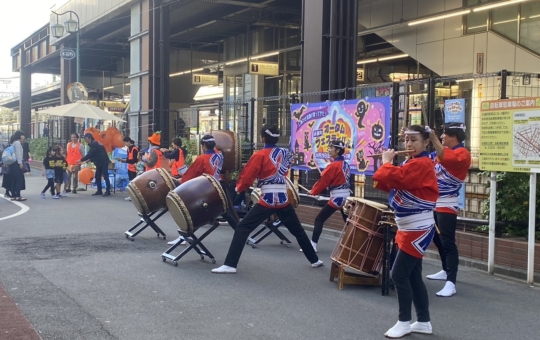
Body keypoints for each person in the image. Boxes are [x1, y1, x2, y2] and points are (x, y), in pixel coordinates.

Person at [212, 125, 323, 274]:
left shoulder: (260, 155)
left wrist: (240, 187)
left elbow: (248, 175)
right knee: (298, 230)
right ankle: (314, 260)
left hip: (268, 199)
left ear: (262, 138)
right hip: (283, 198)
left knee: (242, 228)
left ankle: (230, 264)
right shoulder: (286, 153)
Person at [372, 125, 438, 338]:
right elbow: (395, 181)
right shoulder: (413, 162)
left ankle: (403, 321)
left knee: (398, 274)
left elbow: (400, 178)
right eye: (406, 140)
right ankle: (424, 320)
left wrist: (387, 164)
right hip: (408, 228)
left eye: (414, 140)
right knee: (413, 275)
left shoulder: (423, 163)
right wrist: (387, 168)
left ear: (426, 142)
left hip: (418, 229)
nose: (408, 144)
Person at [426, 123, 471, 297]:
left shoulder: (463, 154)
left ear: (454, 136)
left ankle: (451, 282)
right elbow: (428, 160)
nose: (442, 136)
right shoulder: (441, 152)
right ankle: (445, 270)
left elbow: (445, 156)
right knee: (437, 238)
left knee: (448, 241)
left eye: (445, 134)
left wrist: (433, 138)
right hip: (434, 202)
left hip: (447, 203)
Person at [304, 140, 350, 253]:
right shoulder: (345, 164)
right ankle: (354, 247)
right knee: (349, 224)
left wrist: (313, 191)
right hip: (347, 198)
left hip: (337, 199)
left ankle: (313, 245)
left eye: (331, 148)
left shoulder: (334, 166)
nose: (328, 150)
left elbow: (323, 182)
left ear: (338, 150)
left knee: (319, 219)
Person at [8, 131, 27, 201]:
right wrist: (20, 163)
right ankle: (18, 195)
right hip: (16, 163)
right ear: (20, 136)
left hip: (12, 163)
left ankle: (13, 195)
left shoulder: (13, 143)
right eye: (23, 135)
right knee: (19, 180)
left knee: (13, 180)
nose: (24, 137)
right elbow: (18, 154)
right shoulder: (18, 143)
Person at [120, 137, 139, 202]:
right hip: (129, 167)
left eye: (125, 143)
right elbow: (128, 158)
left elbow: (135, 160)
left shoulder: (134, 148)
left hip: (134, 168)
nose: (125, 144)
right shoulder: (128, 149)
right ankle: (131, 195)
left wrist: (125, 160)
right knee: (130, 182)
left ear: (128, 141)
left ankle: (134, 196)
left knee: (134, 183)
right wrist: (124, 160)